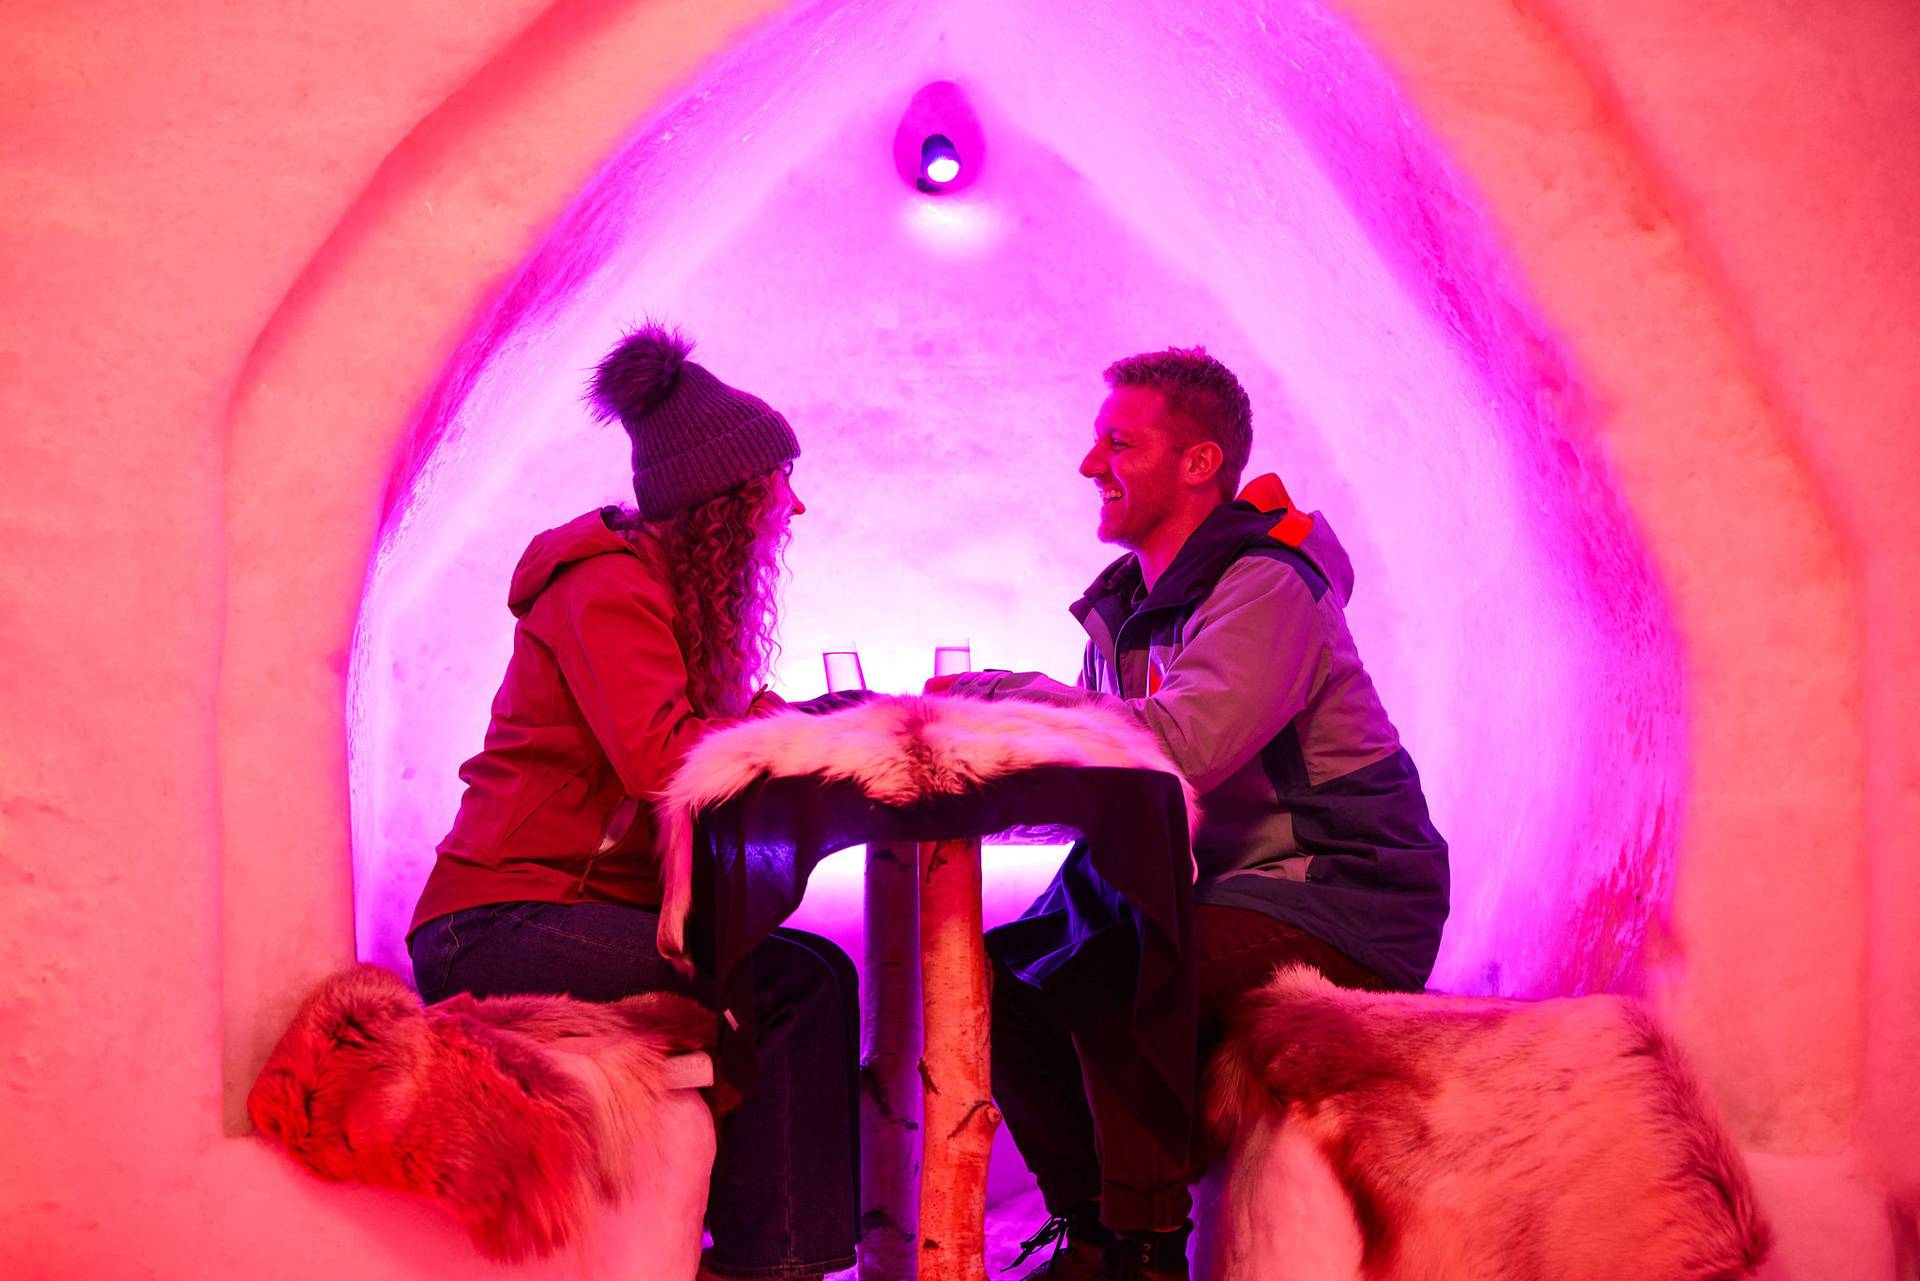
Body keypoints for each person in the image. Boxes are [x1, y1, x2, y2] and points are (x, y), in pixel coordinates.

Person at [943, 347, 1449, 1281]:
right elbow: (1107, 785)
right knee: (995, 979)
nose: (1090, 464)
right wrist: (971, 766)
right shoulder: (1127, 610)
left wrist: (1018, 699)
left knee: (1118, 966)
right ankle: (1092, 1231)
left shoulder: (1266, 584)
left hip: (1336, 889)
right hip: (1213, 886)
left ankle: (1146, 1253)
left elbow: (1179, 750)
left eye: (1118, 443)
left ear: (1199, 462)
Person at [406, 325, 859, 1281]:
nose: (795, 505)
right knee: (791, 986)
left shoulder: (654, 588)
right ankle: (771, 1267)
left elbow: (690, 739)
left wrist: (788, 722)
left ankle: (766, 1256)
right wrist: (788, 732)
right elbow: (662, 758)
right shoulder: (604, 585)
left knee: (815, 966)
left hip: (565, 908)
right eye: (779, 483)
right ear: (724, 505)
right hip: (496, 921)